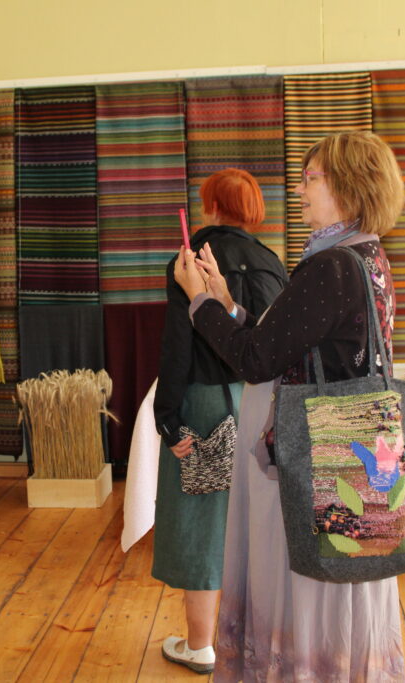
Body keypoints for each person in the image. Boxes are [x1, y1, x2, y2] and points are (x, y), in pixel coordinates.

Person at [174, 131, 405, 681]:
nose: (299, 189)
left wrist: (200, 302)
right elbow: (286, 343)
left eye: (311, 179)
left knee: (311, 576)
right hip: (356, 451)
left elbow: (256, 360)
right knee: (343, 575)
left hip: (318, 456)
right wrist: (228, 303)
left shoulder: (330, 266)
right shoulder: (368, 254)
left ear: (348, 185)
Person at [153, 169, 287, 674]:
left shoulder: (189, 261)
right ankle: (255, 640)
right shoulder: (272, 263)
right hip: (261, 404)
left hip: (205, 403)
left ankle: (201, 645)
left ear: (210, 206)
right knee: (258, 523)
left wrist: (167, 417)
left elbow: (178, 346)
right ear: (253, 210)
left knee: (202, 524)